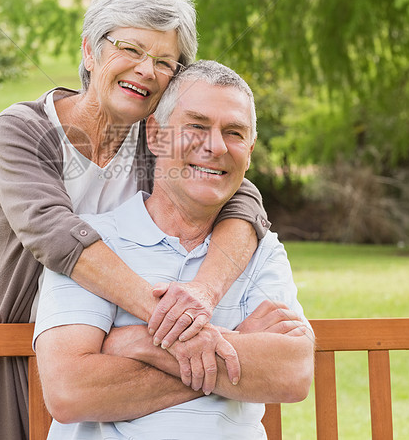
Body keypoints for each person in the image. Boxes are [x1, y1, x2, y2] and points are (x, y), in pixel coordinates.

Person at [0, 0, 271, 440]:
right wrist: (175, 324)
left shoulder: (156, 142)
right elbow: (55, 235)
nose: (146, 70)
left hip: (118, 355)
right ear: (89, 50)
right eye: (131, 49)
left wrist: (202, 294)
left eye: (164, 62)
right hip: (18, 348)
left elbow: (242, 198)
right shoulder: (25, 129)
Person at [33, 61, 314, 439]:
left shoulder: (261, 251)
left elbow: (291, 374)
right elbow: (70, 392)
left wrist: (143, 345)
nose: (215, 147)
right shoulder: (96, 245)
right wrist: (235, 346)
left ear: (249, 149)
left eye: (234, 132)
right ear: (156, 135)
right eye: (196, 126)